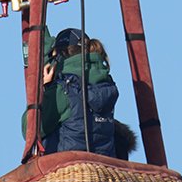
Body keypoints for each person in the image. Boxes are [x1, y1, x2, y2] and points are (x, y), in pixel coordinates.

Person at [34, 28, 125, 158]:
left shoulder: (64, 90)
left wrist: (45, 88)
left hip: (65, 165)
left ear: (61, 56)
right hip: (101, 165)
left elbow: (30, 129)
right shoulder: (106, 84)